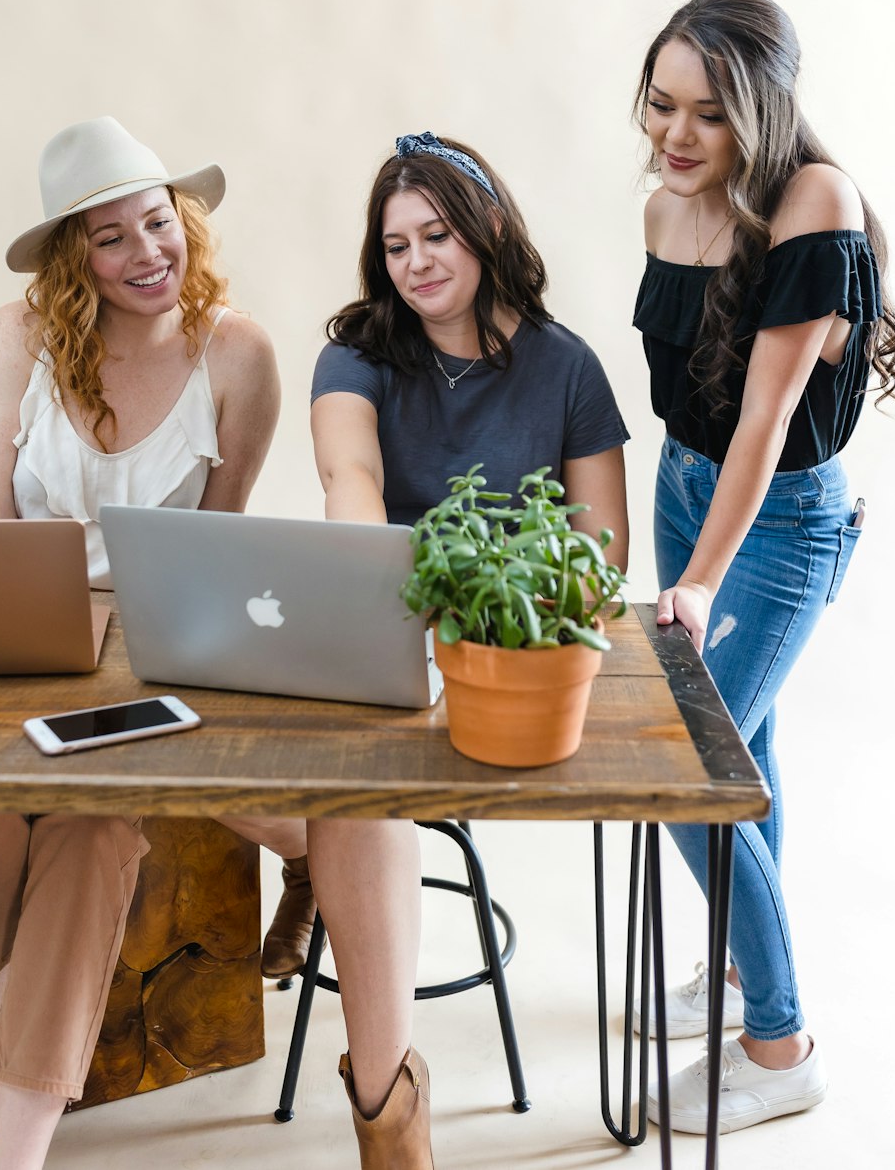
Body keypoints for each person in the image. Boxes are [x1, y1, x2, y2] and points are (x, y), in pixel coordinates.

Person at [0, 117, 369, 1170]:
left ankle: (2, 1130)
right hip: (26, 633)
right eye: (111, 237)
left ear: (186, 222)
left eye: (158, 222)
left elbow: (211, 545)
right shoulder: (16, 342)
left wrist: (160, 645)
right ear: (73, 256)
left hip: (159, 637)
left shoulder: (239, 353)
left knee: (92, 826)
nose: (146, 253)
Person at [310, 130, 630, 1165]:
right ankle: (389, 1117)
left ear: (487, 228)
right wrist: (385, 603)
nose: (416, 264)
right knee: (272, 773)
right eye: (395, 246)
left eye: (436, 234)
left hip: (512, 663)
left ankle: (382, 1112)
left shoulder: (566, 368)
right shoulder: (355, 348)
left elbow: (597, 562)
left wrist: (494, 627)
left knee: (348, 812)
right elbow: (349, 481)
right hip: (384, 636)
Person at [630, 0, 895, 1134]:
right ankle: (740, 971)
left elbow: (764, 417)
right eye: (660, 107)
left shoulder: (813, 201)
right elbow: (690, 413)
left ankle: (779, 1044)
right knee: (752, 749)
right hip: (682, 484)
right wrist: (678, 544)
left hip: (778, 516)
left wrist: (695, 581)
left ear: (763, 110)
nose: (676, 138)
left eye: (709, 115)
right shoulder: (664, 209)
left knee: (700, 771)